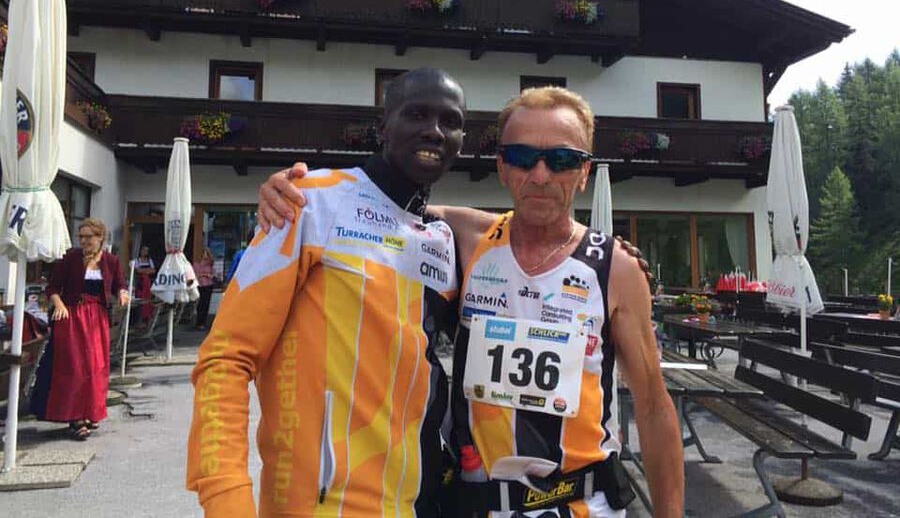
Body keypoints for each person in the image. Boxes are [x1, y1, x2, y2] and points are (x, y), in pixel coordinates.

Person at [259, 86, 684, 516]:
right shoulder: (464, 238)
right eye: (521, 157)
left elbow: (652, 407)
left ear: (584, 172)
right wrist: (293, 190)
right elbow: (363, 205)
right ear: (502, 167)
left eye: (561, 160)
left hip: (580, 504)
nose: (540, 176)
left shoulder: (616, 268)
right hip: (477, 506)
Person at [186, 67, 466, 517]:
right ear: (383, 127)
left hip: (420, 502)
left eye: (450, 122)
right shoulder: (307, 202)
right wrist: (225, 498)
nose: (434, 131)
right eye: (417, 114)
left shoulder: (442, 239)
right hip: (319, 505)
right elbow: (226, 358)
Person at [30, 218, 129, 441]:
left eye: (88, 237)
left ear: (100, 238)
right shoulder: (71, 258)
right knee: (74, 368)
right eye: (81, 237)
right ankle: (76, 418)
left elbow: (119, 284)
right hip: (72, 318)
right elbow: (53, 288)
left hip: (97, 321)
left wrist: (122, 293)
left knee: (95, 369)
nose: (83, 241)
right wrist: (60, 305)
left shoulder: (111, 261)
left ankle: (90, 412)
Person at [130, 245, 156, 324]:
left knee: (148, 299)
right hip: (140, 283)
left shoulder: (149, 260)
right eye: (143, 250)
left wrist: (143, 270)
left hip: (147, 283)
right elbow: (137, 270)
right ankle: (139, 319)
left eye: (146, 251)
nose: (144, 252)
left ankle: (147, 318)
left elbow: (153, 271)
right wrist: (147, 270)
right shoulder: (136, 261)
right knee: (140, 299)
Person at [192, 247, 217, 330]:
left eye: (207, 254)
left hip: (208, 285)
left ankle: (203, 322)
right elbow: (194, 275)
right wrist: (200, 276)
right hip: (199, 285)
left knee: (206, 304)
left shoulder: (210, 264)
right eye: (204, 253)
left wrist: (208, 275)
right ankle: (199, 322)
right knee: (200, 304)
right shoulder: (196, 264)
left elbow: (213, 275)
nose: (205, 256)